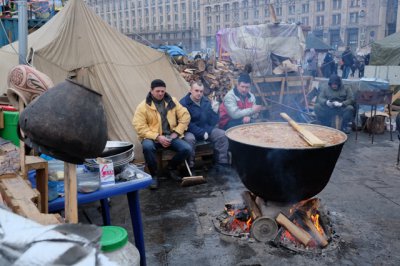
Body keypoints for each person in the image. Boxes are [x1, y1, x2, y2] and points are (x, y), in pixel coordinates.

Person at [132, 79, 192, 189]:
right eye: (157, 91)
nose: (160, 94)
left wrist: (176, 133)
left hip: (170, 136)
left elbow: (185, 116)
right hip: (152, 137)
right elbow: (139, 127)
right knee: (147, 147)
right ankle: (154, 176)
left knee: (187, 149)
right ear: (151, 91)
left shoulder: (172, 101)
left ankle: (170, 168)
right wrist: (157, 137)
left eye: (162, 91)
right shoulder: (143, 106)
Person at [180, 80, 229, 171]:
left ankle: (221, 164)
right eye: (196, 91)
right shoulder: (183, 103)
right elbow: (186, 123)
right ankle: (190, 168)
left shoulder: (205, 101)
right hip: (189, 131)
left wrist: (215, 111)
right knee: (189, 139)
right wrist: (201, 133)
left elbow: (212, 122)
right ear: (190, 90)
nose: (199, 93)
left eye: (201, 91)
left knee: (222, 134)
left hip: (206, 128)